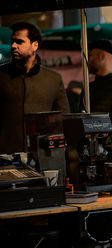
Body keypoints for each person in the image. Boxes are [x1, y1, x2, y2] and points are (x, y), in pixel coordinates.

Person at [0, 22, 69, 154]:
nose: (13, 46)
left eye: (19, 42)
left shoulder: (53, 79)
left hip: (44, 157)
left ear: (35, 45)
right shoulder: (1, 76)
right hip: (6, 157)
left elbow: (63, 120)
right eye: (12, 41)